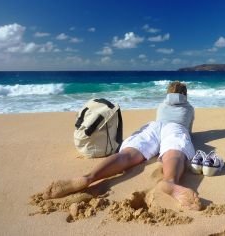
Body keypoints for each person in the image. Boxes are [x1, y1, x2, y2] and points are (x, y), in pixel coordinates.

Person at [42, 81, 200, 210]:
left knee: (128, 154)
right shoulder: (189, 108)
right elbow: (188, 130)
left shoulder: (162, 105)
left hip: (154, 126)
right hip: (175, 127)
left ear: (168, 94)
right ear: (184, 95)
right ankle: (170, 182)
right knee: (174, 152)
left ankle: (89, 177)